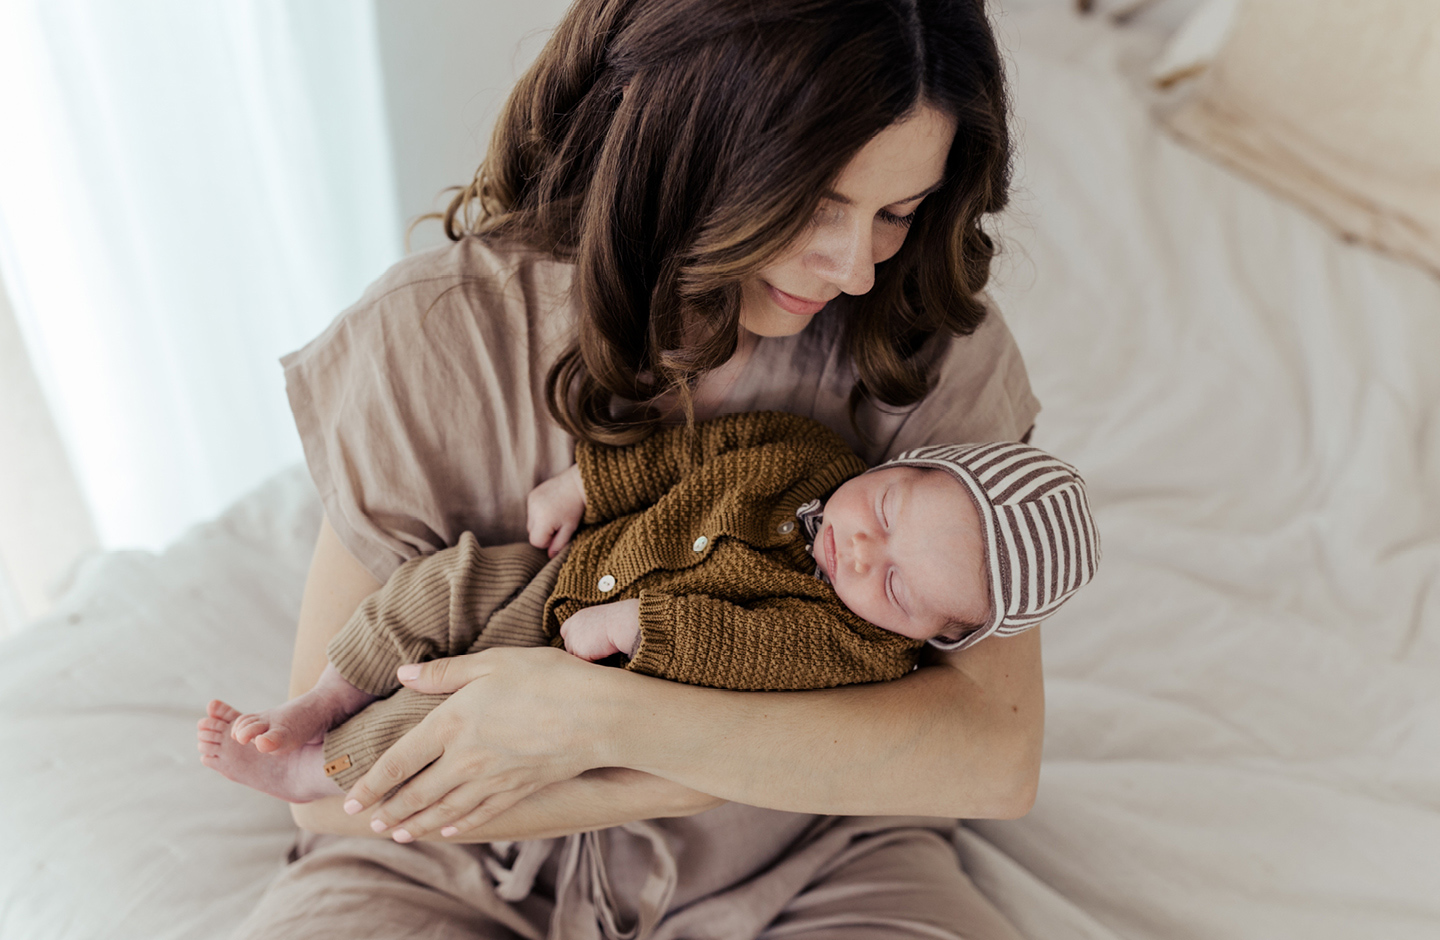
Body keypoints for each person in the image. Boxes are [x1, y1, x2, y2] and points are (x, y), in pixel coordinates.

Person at [214, 0, 1053, 935]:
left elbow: (993, 756)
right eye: (814, 202)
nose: (855, 267)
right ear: (679, 143)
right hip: (433, 862)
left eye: (897, 211)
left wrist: (602, 724)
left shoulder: (925, 342)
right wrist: (725, 753)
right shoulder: (430, 340)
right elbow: (320, 793)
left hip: (802, 857)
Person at [198, 414, 1098, 805]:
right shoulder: (810, 453)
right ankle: (321, 697)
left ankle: (320, 771)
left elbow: (752, 653)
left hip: (573, 665)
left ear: (938, 636)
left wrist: (639, 627)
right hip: (563, 570)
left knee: (433, 717)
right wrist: (583, 480)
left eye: (898, 586)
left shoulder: (855, 648)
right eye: (891, 511)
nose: (863, 550)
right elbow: (691, 452)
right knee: (432, 586)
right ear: (911, 463)